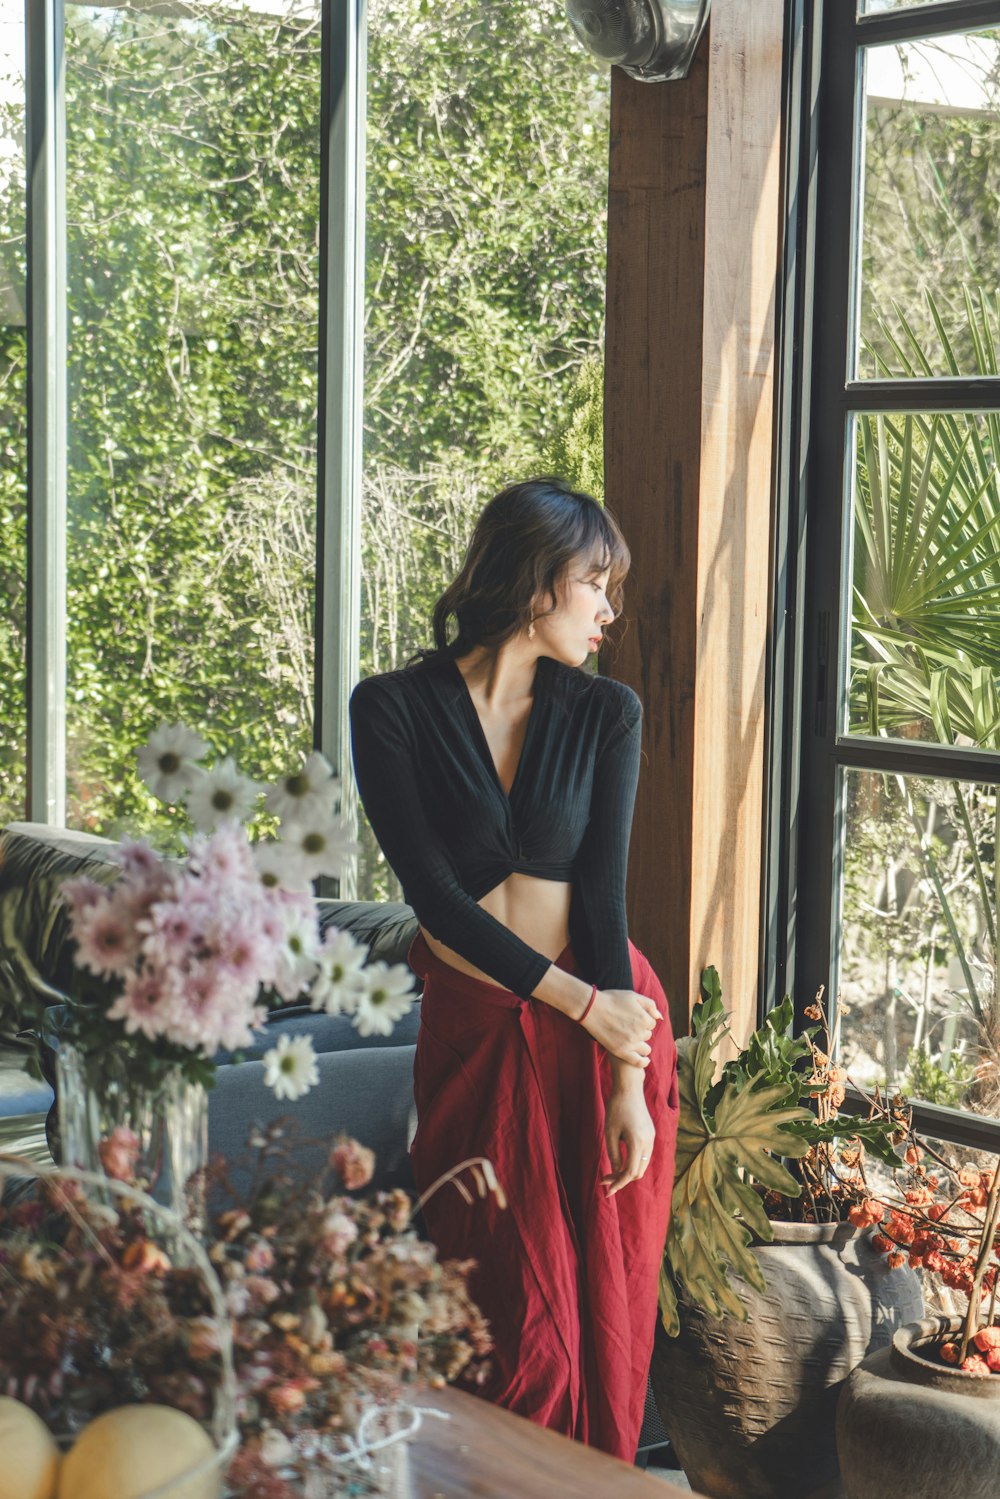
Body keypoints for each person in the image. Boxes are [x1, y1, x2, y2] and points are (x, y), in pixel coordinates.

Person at [349, 477, 678, 1462]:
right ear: (536, 583)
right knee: (500, 1308)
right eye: (595, 582)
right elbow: (435, 899)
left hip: (606, 1024)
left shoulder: (604, 712)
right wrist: (585, 1007)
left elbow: (606, 902)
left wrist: (625, 1070)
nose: (608, 609)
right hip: (486, 1021)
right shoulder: (392, 707)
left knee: (600, 1309)